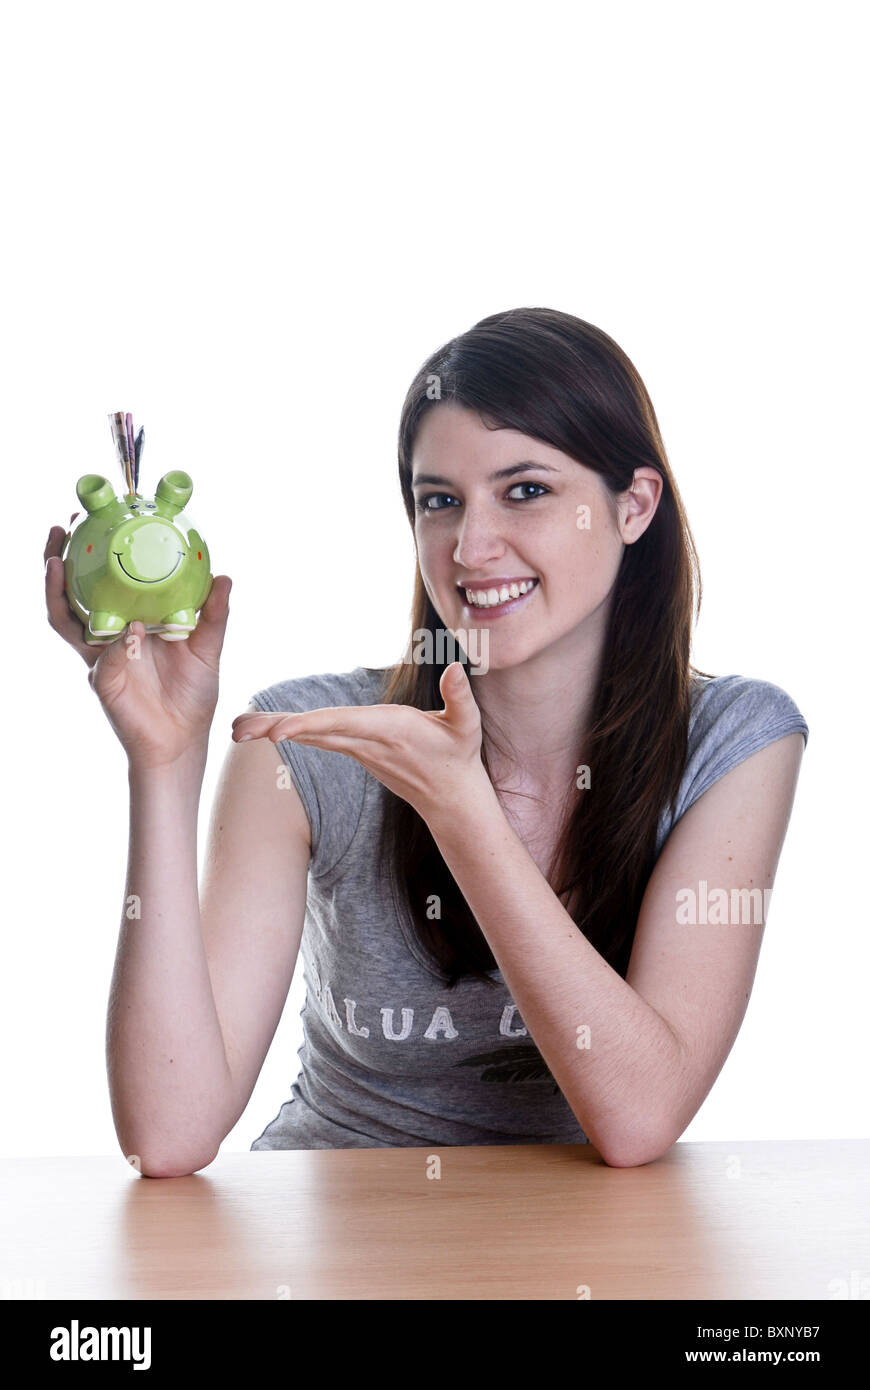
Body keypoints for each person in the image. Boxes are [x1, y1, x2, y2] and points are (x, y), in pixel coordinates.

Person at [45, 308, 808, 1173]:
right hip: (338, 1242)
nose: (472, 548)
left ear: (633, 506)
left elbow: (637, 1121)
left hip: (587, 1253)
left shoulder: (736, 740)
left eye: (526, 490)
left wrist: (463, 813)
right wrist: (164, 762)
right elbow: (168, 1136)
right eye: (440, 502)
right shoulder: (306, 745)